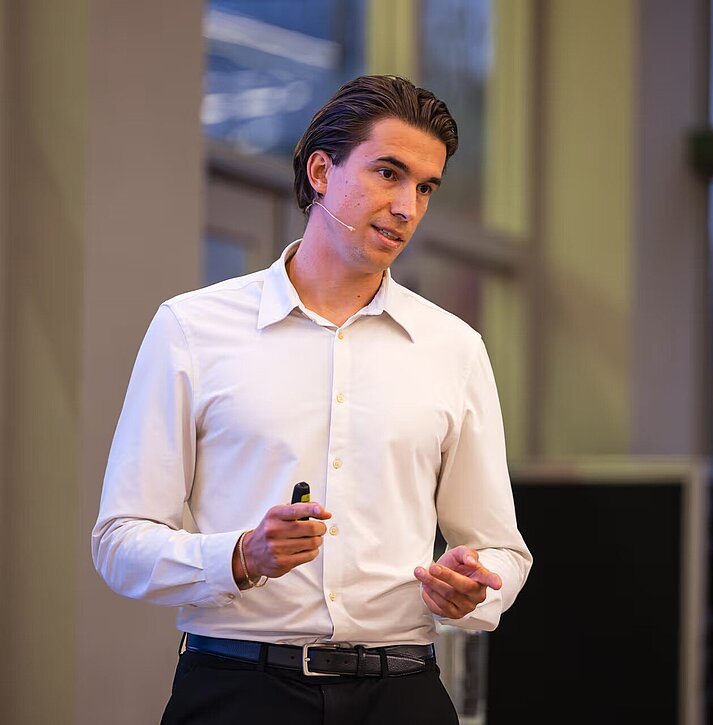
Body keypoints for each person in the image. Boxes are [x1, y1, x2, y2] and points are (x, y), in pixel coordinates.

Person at [92, 74, 532, 725]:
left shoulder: (454, 348)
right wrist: (241, 555)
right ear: (321, 171)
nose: (406, 207)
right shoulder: (192, 328)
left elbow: (503, 551)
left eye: (425, 187)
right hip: (237, 693)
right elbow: (119, 542)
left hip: (402, 694)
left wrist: (472, 588)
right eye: (389, 173)